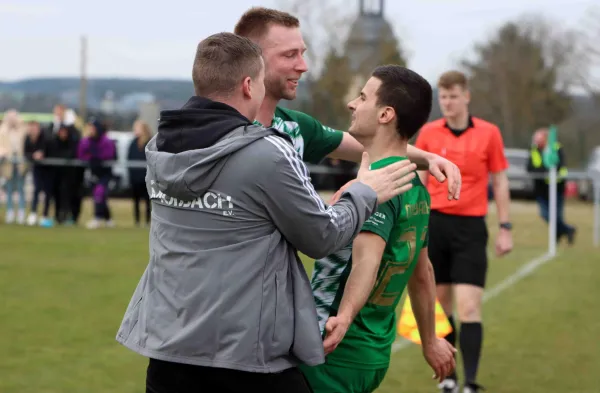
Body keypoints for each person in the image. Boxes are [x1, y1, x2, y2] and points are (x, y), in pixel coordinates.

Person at [115, 32, 418, 393]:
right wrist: (365, 192)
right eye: (260, 82)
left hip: (167, 350)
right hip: (245, 357)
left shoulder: (159, 147)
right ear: (247, 85)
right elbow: (322, 237)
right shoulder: (268, 152)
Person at [299, 65, 456, 393]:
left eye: (362, 97)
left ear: (385, 114)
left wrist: (344, 316)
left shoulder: (378, 187)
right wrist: (429, 341)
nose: (352, 105)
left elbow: (366, 262)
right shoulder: (416, 187)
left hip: (332, 351)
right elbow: (422, 272)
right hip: (371, 355)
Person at [233, 7, 462, 199]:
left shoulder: (295, 127)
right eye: (290, 55)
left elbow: (376, 147)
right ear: (253, 60)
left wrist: (430, 158)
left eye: (302, 54)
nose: (303, 66)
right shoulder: (215, 128)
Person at [414, 70, 513, 393]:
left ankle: (470, 382)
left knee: (469, 307)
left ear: (466, 97)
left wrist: (505, 228)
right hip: (436, 225)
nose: (448, 103)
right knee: (441, 307)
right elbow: (421, 182)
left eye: (453, 96)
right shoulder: (428, 133)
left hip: (471, 228)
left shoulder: (489, 134)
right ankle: (449, 378)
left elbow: (499, 181)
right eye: (443, 97)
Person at [527, 128, 576, 244]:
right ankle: (568, 230)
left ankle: (558, 236)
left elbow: (558, 166)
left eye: (538, 139)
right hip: (541, 190)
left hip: (557, 188)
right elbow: (530, 167)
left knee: (557, 216)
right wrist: (542, 171)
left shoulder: (556, 149)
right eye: (535, 139)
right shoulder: (534, 150)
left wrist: (542, 170)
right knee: (545, 215)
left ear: (546, 139)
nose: (536, 141)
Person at [77, 118, 116, 229]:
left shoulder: (106, 141)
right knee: (99, 196)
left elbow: (107, 155)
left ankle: (97, 218)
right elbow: (81, 154)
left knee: (99, 193)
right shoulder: (86, 141)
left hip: (104, 173)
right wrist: (92, 157)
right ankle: (108, 219)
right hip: (93, 172)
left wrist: (94, 156)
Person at [0, 109, 28, 224]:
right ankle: (10, 212)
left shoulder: (22, 130)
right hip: (8, 163)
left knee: (21, 188)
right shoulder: (3, 131)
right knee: (9, 188)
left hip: (20, 162)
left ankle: (21, 212)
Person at [127, 119, 152, 227]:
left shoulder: (150, 143)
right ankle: (137, 221)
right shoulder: (133, 143)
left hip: (146, 177)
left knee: (148, 200)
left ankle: (147, 221)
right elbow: (129, 158)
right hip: (135, 177)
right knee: (136, 200)